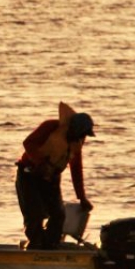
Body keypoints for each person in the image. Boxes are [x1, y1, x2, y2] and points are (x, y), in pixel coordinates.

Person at [15, 102, 95, 250]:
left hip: (51, 178)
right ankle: (36, 246)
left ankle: (51, 245)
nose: (82, 138)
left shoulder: (77, 142)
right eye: (81, 134)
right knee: (34, 214)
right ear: (73, 129)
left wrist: (82, 197)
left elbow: (76, 168)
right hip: (29, 174)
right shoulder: (51, 127)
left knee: (58, 214)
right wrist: (41, 162)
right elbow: (28, 143)